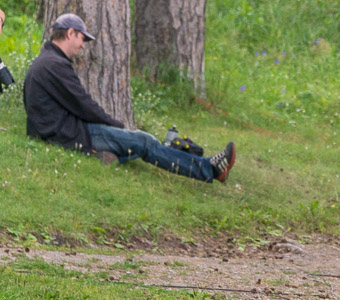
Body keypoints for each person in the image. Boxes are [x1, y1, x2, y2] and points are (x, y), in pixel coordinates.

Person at [23, 13, 235, 183]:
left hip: (56, 132)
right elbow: (83, 105)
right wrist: (116, 125)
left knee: (142, 142)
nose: (84, 45)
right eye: (82, 38)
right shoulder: (55, 65)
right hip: (69, 135)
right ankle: (211, 169)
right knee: (143, 141)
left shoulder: (46, 61)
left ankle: (102, 157)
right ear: (70, 33)